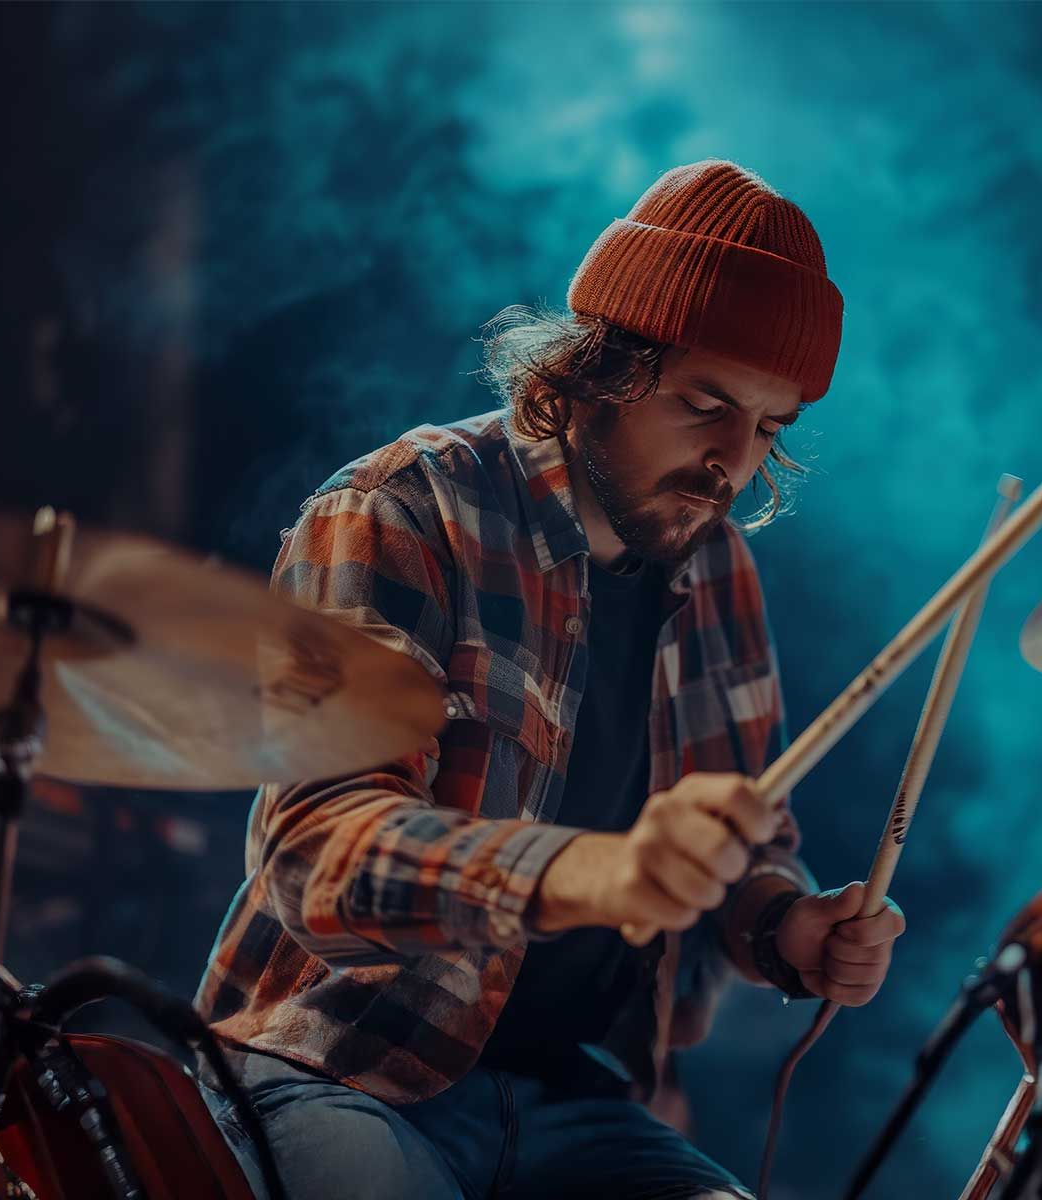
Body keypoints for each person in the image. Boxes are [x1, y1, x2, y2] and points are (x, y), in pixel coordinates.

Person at [195, 159, 907, 1200]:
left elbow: (741, 859)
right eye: (705, 404)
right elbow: (316, 855)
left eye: (767, 428)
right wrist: (593, 874)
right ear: (593, 370)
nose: (733, 462)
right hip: (340, 1062)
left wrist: (782, 926)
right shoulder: (402, 507)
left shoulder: (718, 568)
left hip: (578, 1101)